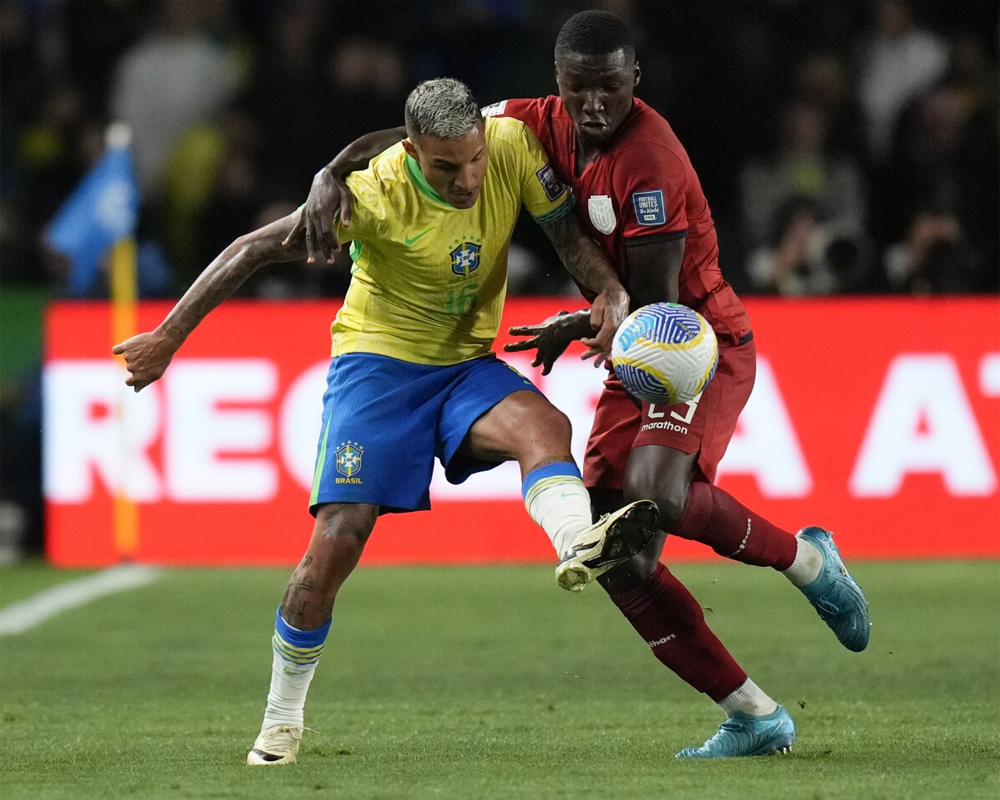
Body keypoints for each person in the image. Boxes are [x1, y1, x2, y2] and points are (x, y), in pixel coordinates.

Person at [292, 11, 871, 758]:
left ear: (636, 80)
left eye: (609, 87)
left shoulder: (650, 160)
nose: (593, 104)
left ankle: (808, 560)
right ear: (557, 82)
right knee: (615, 553)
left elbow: (653, 300)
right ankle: (754, 715)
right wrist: (333, 171)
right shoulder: (533, 121)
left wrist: (593, 314)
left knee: (658, 493)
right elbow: (417, 145)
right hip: (632, 348)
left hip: (690, 340)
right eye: (577, 89)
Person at [112, 77, 661, 766]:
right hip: (378, 370)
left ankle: (579, 542)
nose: (467, 180)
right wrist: (167, 337)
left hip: (463, 362)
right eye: (446, 167)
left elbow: (566, 234)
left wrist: (607, 288)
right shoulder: (372, 194)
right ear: (411, 152)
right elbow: (252, 249)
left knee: (545, 429)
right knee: (338, 540)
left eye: (474, 162)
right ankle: (281, 719)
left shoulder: (512, 146)